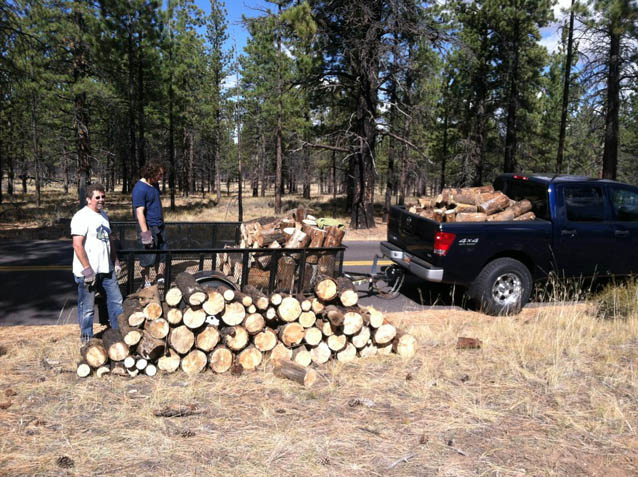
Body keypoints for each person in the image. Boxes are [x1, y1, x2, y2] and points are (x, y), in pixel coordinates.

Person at [71, 183, 123, 343]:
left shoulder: (104, 215)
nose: (101, 200)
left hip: (106, 270)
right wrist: (87, 270)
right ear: (88, 199)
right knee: (87, 308)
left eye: (103, 197)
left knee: (117, 302)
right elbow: (77, 244)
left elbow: (109, 241)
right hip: (88, 272)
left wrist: (115, 261)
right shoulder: (81, 216)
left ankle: (118, 336)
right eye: (97, 197)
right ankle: (87, 341)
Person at [132, 161, 167, 288]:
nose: (161, 177)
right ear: (150, 173)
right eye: (159, 174)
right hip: (148, 227)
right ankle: (146, 280)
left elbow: (158, 203)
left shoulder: (155, 185)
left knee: (162, 254)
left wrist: (162, 220)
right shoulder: (139, 188)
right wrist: (146, 234)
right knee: (146, 257)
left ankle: (160, 277)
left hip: (159, 226)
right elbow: (140, 212)